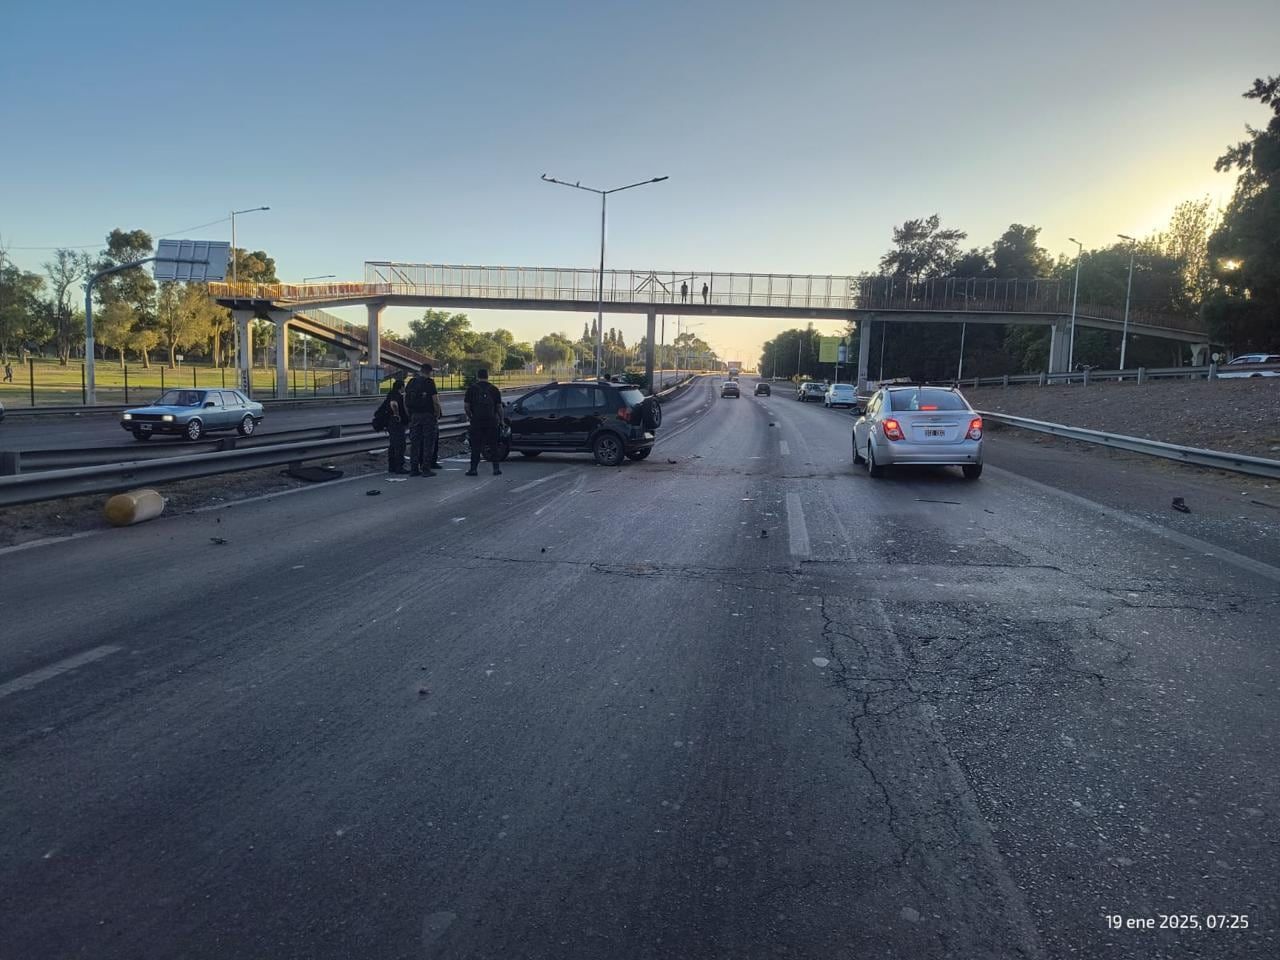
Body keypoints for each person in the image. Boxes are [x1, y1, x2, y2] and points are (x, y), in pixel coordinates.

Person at [463, 368, 504, 477]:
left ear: (477, 376)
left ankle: (473, 469)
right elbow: (499, 407)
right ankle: (496, 469)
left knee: (476, 446)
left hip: (477, 421)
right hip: (491, 421)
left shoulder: (471, 389)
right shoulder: (494, 389)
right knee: (493, 445)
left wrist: (471, 417)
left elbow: (466, 406)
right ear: (487, 376)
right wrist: (501, 420)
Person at [405, 362, 440, 477]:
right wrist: (437, 413)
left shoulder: (411, 382)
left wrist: (410, 415)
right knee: (428, 443)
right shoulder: (429, 382)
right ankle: (426, 469)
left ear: (420, 371)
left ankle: (414, 469)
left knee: (415, 443)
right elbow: (435, 400)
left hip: (414, 416)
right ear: (429, 372)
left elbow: (406, 400)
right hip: (428, 416)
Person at [385, 376, 408, 473]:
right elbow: (394, 404)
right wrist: (397, 415)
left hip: (390, 422)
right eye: (404, 387)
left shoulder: (390, 394)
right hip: (396, 423)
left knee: (393, 445)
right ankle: (399, 467)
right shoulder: (396, 395)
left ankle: (392, 466)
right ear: (401, 387)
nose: (404, 389)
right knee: (400, 445)